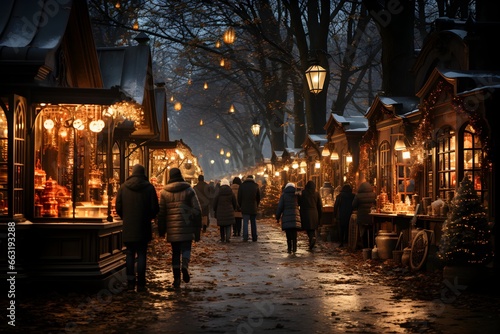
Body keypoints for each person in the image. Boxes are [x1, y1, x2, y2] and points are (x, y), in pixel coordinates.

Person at [115, 164, 159, 292]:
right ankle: (141, 283)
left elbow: (118, 207)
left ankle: (130, 282)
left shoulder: (123, 187)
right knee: (141, 254)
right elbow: (155, 208)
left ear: (132, 173)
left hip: (129, 226)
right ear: (143, 173)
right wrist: (148, 217)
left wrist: (126, 217)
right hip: (143, 226)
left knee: (129, 254)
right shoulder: (149, 188)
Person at [157, 168, 202, 289]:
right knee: (186, 248)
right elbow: (197, 210)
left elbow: (161, 213)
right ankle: (185, 266)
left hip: (172, 229)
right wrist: (197, 227)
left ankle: (176, 278)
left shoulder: (164, 192)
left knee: (175, 253)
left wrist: (161, 229)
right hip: (187, 227)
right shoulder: (189, 190)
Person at [276, 182, 301, 253]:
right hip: (295, 216)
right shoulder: (296, 195)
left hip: (286, 216)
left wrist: (277, 216)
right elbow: (301, 203)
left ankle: (289, 248)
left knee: (288, 234)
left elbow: (280, 207)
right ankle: (295, 248)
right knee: (294, 233)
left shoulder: (283, 195)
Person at [352, 181, 377, 249]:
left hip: (362, 217)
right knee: (372, 231)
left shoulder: (358, 195)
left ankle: (365, 247)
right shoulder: (374, 194)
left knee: (363, 232)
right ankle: (372, 246)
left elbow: (353, 205)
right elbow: (376, 203)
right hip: (371, 217)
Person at [299, 180, 322, 251]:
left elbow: (299, 202)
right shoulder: (317, 193)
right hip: (314, 213)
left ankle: (312, 239)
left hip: (305, 212)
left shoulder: (303, 193)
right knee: (312, 228)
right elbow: (320, 205)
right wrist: (320, 215)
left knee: (308, 228)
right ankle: (312, 239)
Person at [213, 178, 237, 242]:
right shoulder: (231, 192)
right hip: (229, 210)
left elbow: (215, 202)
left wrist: (214, 209)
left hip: (220, 211)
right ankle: (228, 238)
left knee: (222, 226)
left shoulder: (218, 192)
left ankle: (222, 238)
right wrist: (234, 208)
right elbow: (234, 202)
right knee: (228, 225)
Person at [238, 175, 261, 242]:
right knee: (253, 222)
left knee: (245, 222)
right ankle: (254, 237)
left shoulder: (242, 186)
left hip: (244, 207)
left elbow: (239, 197)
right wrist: (256, 205)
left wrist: (240, 205)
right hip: (253, 207)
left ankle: (245, 237)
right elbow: (258, 197)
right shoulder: (256, 186)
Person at [332, 183, 355, 248]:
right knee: (349, 228)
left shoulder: (339, 196)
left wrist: (334, 216)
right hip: (350, 214)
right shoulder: (353, 196)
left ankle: (341, 242)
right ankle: (348, 242)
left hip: (342, 214)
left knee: (342, 229)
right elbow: (355, 204)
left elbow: (336, 206)